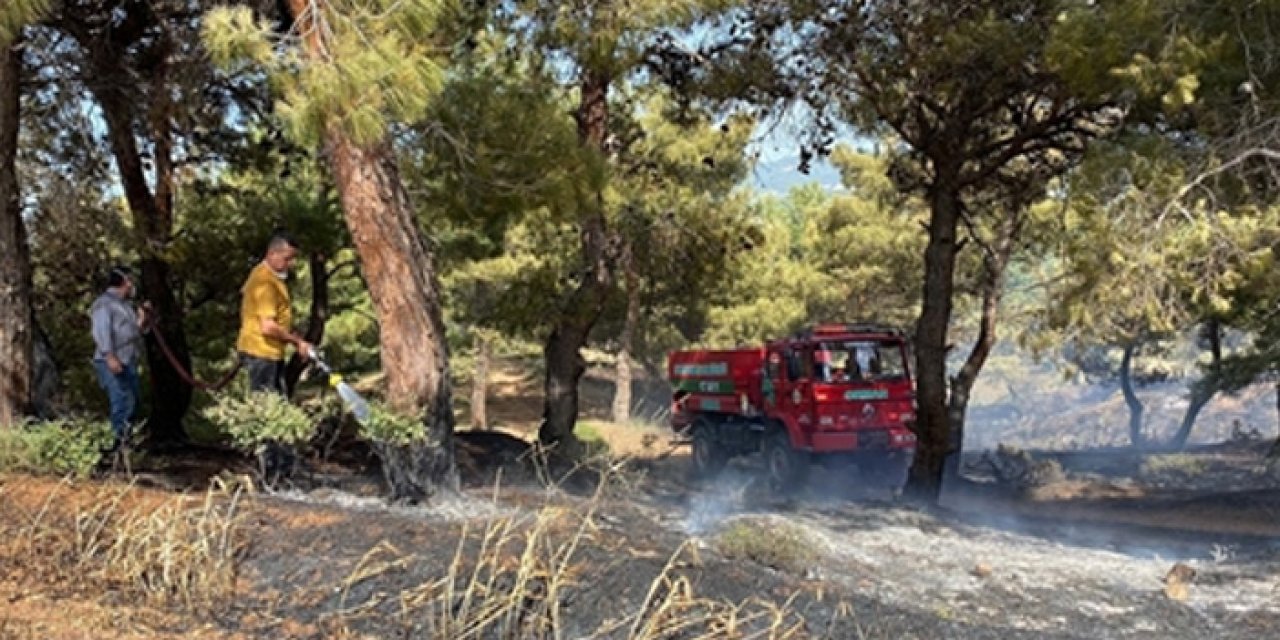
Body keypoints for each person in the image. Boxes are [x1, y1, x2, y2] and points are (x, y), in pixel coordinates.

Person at [236, 231, 312, 395]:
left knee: (276, 404)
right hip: (261, 354)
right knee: (267, 410)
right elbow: (268, 327)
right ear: (271, 254)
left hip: (268, 353)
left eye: (293, 258)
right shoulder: (265, 282)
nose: (291, 263)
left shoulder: (267, 276)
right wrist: (296, 342)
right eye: (287, 258)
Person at [90, 266, 149, 451]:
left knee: (132, 401)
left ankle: (126, 443)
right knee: (121, 402)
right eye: (131, 281)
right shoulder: (104, 304)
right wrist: (109, 356)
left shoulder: (125, 306)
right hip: (112, 361)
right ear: (125, 282)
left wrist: (141, 320)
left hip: (128, 360)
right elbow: (100, 332)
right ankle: (117, 447)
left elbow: (130, 333)